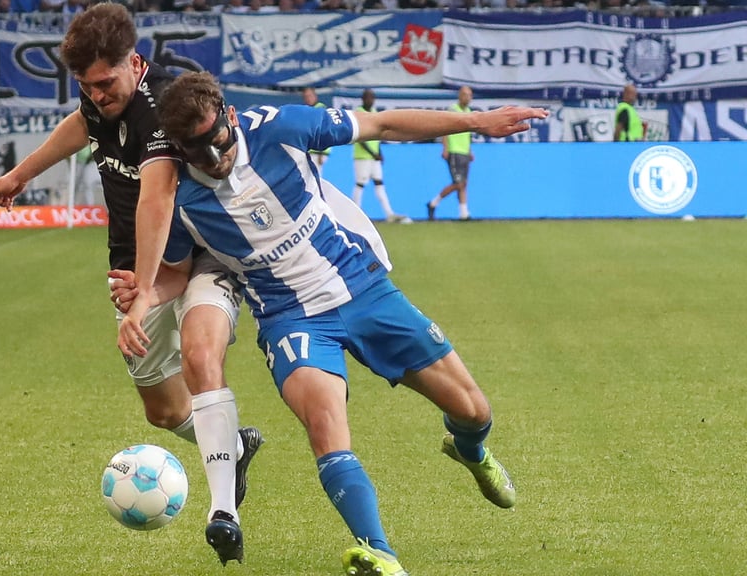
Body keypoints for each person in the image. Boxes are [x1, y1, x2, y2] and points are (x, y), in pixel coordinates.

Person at [119, 72, 547, 576]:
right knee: (326, 427)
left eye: (217, 142)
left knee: (474, 411)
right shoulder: (178, 197)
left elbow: (383, 124)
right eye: (197, 153)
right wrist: (141, 301)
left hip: (363, 289)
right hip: (289, 319)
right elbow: (177, 273)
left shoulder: (281, 126)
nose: (214, 160)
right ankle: (379, 551)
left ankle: (470, 451)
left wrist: (475, 121)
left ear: (230, 116)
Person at [0, 5, 263, 564]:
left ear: (135, 63)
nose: (98, 94)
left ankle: (222, 507)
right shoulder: (97, 94)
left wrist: (147, 292)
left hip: (195, 253)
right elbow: (83, 124)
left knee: (204, 358)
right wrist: (19, 176)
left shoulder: (164, 109)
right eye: (86, 85)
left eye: (106, 83)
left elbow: (157, 199)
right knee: (160, 409)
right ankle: (232, 446)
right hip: (133, 264)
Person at [352, 89, 410, 224]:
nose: (370, 100)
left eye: (372, 98)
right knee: (360, 184)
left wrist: (380, 153)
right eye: (368, 98)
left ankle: (389, 213)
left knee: (379, 183)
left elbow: (376, 136)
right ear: (363, 99)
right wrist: (373, 153)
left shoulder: (374, 113)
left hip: (374, 157)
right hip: (362, 157)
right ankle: (355, 214)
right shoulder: (358, 113)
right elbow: (359, 138)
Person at [427, 85, 474, 221]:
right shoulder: (453, 110)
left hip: (464, 151)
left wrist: (470, 150)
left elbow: (467, 134)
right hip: (454, 151)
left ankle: (464, 213)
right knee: (458, 183)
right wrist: (445, 148)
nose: (468, 98)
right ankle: (433, 203)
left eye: (470, 95)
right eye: (465, 95)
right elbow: (445, 130)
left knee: (463, 183)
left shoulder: (469, 111)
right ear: (460, 96)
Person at [301, 87, 331, 177]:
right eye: (305, 97)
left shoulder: (320, 109)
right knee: (309, 176)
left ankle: (319, 191)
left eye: (310, 96)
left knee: (315, 176)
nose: (308, 98)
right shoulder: (306, 110)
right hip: (310, 150)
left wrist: (321, 152)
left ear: (315, 96)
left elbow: (324, 131)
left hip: (318, 151)